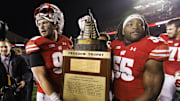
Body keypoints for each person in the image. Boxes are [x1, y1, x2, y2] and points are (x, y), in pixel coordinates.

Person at [110, 13, 169, 101]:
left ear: (145, 30)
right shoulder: (114, 45)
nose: (136, 27)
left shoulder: (151, 45)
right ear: (123, 31)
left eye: (140, 24)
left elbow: (152, 92)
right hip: (117, 96)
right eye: (130, 24)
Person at [25, 3, 72, 101]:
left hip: (66, 91)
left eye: (45, 23)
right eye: (39, 24)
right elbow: (41, 76)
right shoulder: (36, 43)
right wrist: (54, 98)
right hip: (47, 95)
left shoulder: (66, 41)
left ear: (55, 24)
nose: (41, 27)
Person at [159, 17, 180, 101]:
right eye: (167, 29)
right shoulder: (163, 38)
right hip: (167, 75)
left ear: (179, 29)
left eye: (171, 29)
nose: (168, 32)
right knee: (165, 98)